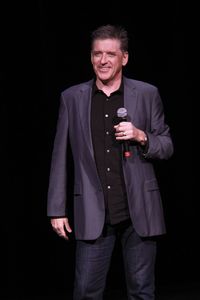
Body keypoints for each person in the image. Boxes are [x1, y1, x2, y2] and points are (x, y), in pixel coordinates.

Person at [47, 24, 174, 300]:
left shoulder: (147, 93)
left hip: (138, 210)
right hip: (94, 212)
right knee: (86, 293)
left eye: (110, 54)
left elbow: (167, 146)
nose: (102, 61)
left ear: (124, 58)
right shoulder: (72, 98)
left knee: (141, 291)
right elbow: (59, 157)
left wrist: (142, 136)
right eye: (96, 54)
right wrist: (56, 209)